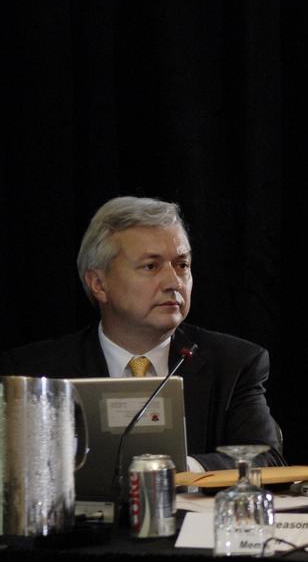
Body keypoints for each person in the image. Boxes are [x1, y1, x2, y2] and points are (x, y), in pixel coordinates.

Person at [0, 196, 284, 470]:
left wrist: (179, 471)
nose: (174, 282)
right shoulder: (35, 373)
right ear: (99, 284)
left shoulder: (234, 363)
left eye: (182, 265)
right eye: (151, 266)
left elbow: (266, 458)